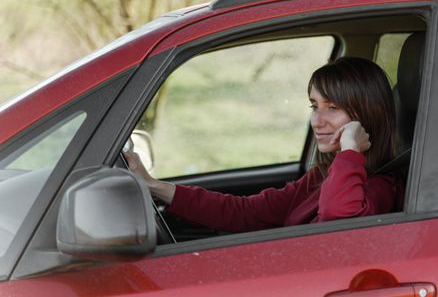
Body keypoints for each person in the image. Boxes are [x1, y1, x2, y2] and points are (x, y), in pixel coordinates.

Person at [124, 57, 398, 233]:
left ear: (365, 116)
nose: (317, 121)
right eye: (315, 106)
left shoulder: (380, 188)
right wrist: (153, 186)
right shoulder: (320, 177)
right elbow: (246, 212)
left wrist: (350, 150)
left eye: (333, 108)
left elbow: (339, 218)